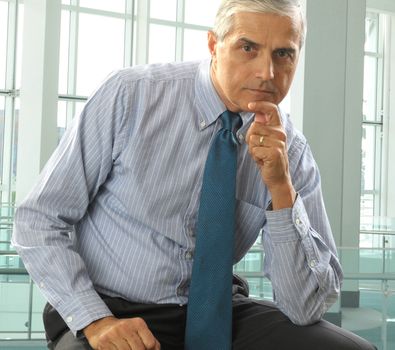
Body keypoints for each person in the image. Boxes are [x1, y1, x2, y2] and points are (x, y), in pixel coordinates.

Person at [13, 1, 376, 349]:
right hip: (110, 307)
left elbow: (305, 307)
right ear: (214, 44)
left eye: (284, 53)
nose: (267, 73)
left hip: (216, 310)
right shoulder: (132, 96)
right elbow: (39, 220)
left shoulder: (291, 151)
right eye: (248, 48)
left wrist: (281, 189)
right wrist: (94, 319)